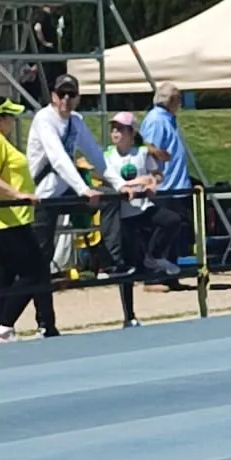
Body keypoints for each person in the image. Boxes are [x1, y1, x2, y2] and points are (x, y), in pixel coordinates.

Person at [0, 97, 53, 342]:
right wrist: (17, 194)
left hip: (9, 217)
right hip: (7, 217)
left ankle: (0, 327)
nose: (14, 121)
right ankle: (4, 325)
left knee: (4, 274)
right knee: (35, 271)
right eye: (10, 117)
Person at [26, 73, 108, 275]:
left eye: (71, 94)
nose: (66, 99)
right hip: (42, 195)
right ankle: (23, 300)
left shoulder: (76, 121)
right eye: (62, 94)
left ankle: (109, 262)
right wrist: (83, 188)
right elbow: (58, 159)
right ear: (53, 96)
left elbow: (96, 154)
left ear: (78, 97)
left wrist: (121, 184)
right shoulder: (44, 119)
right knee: (41, 256)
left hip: (65, 191)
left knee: (110, 200)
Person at [100, 110, 162, 327]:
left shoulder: (141, 153)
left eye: (121, 129)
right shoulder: (106, 156)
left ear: (131, 132)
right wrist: (137, 181)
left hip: (142, 211)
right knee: (126, 266)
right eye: (113, 128)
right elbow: (104, 179)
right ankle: (129, 315)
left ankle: (153, 258)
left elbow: (156, 175)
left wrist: (152, 183)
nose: (115, 132)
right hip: (122, 216)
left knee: (171, 221)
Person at [140, 80, 196, 273]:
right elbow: (147, 147)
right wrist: (161, 155)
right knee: (163, 229)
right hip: (165, 186)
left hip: (176, 185)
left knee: (176, 231)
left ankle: (170, 274)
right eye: (179, 99)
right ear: (172, 99)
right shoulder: (156, 119)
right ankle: (155, 274)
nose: (180, 104)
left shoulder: (168, 118)